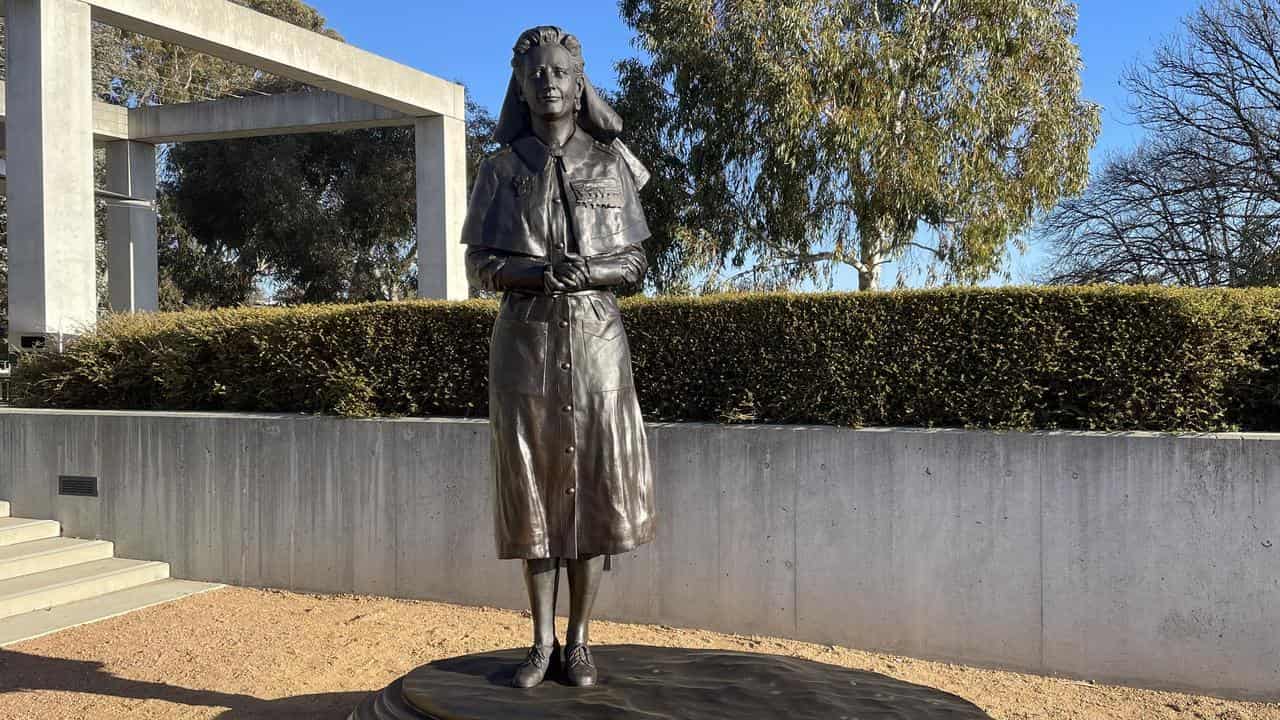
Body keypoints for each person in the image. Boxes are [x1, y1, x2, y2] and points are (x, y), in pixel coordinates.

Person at [461, 25, 655, 689]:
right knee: (533, 494)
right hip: (525, 344)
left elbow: (634, 261)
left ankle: (579, 642)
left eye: (560, 71)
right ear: (520, 84)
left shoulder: (611, 164)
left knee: (591, 495)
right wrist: (535, 275)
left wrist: (588, 275)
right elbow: (480, 261)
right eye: (536, 72)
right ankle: (539, 641)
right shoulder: (499, 168)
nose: (548, 81)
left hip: (597, 344)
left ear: (579, 84)